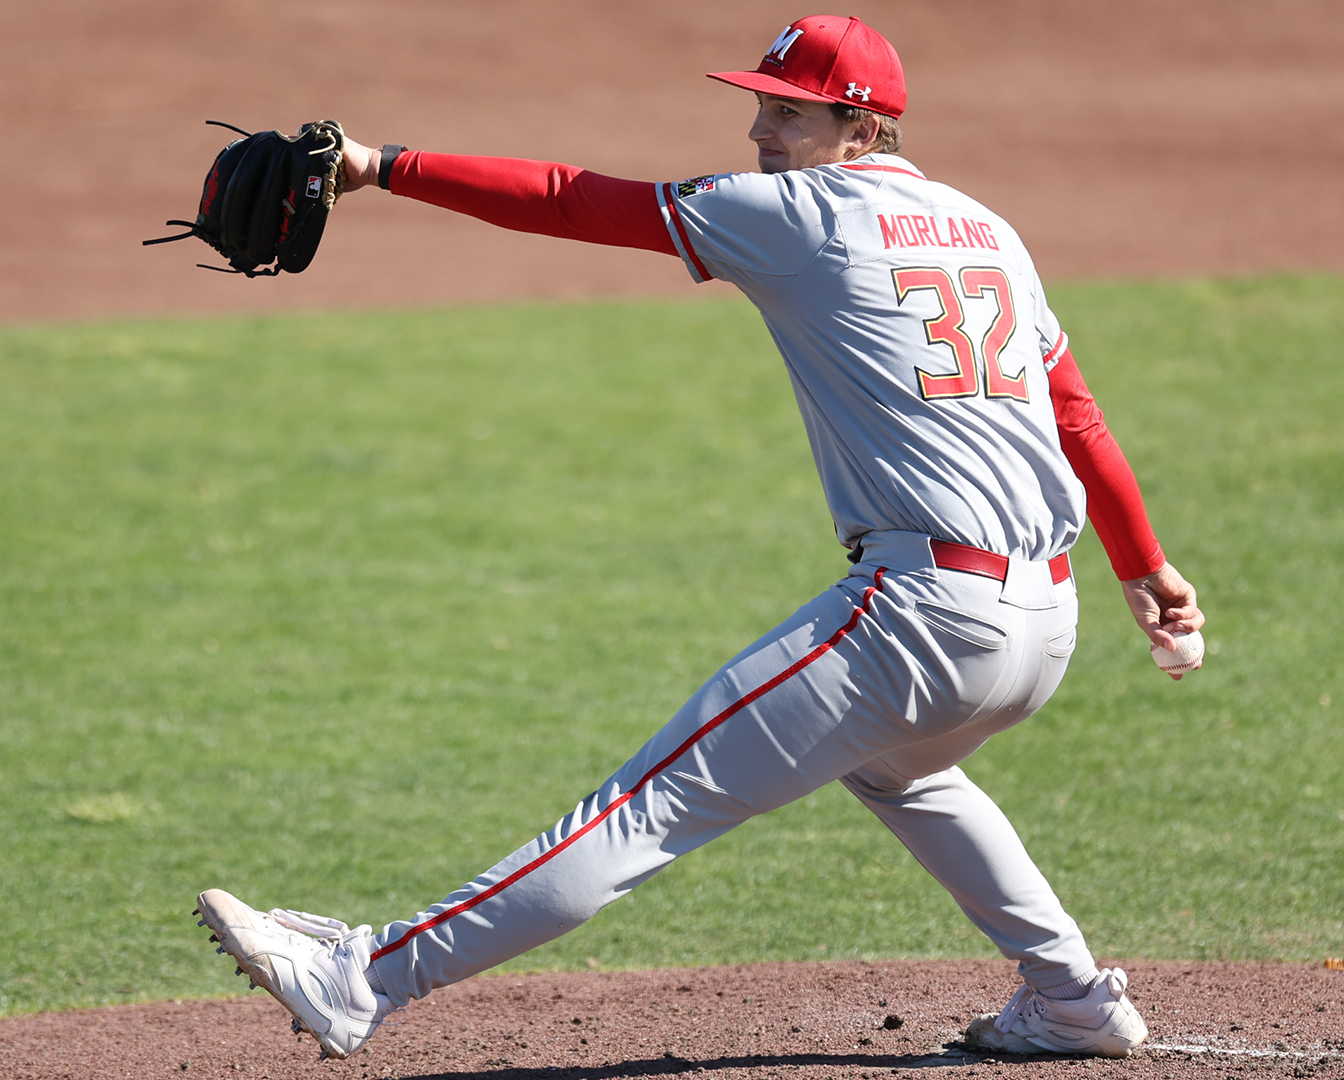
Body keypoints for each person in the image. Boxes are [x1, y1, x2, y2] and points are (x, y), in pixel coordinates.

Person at [194, 14, 1202, 1061]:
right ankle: (1074, 999)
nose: (760, 130)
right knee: (899, 773)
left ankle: (361, 978)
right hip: (1045, 622)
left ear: (858, 125)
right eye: (758, 105)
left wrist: (381, 165)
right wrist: (1147, 565)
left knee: (644, 806)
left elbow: (570, 199)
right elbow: (1074, 412)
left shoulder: (799, 214)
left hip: (925, 616)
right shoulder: (990, 230)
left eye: (786, 111)